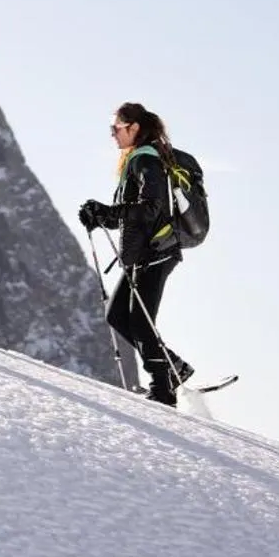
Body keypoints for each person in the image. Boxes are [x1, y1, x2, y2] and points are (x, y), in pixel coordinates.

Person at [78, 102, 195, 406]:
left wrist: (106, 211)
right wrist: (99, 215)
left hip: (156, 251)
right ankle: (171, 369)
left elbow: (150, 208)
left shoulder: (146, 160)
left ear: (134, 128)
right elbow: (131, 214)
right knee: (118, 314)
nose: (112, 135)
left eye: (115, 128)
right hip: (145, 252)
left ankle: (163, 388)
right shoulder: (137, 160)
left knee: (140, 321)